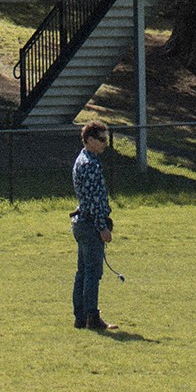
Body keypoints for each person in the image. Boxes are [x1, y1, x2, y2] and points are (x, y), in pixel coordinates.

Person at [71, 120, 116, 332]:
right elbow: (94, 201)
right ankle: (92, 318)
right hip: (90, 225)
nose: (105, 143)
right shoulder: (90, 165)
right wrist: (102, 227)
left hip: (82, 223)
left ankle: (80, 317)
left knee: (82, 272)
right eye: (101, 139)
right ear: (90, 140)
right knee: (92, 273)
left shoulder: (83, 160)